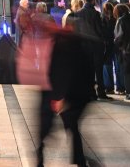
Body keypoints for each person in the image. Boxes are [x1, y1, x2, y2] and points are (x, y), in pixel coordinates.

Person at [36, 23, 95, 167]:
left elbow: (65, 73)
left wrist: (62, 97)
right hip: (76, 94)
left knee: (66, 124)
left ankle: (42, 154)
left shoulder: (63, 46)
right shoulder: (76, 44)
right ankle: (79, 160)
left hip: (71, 94)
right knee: (71, 126)